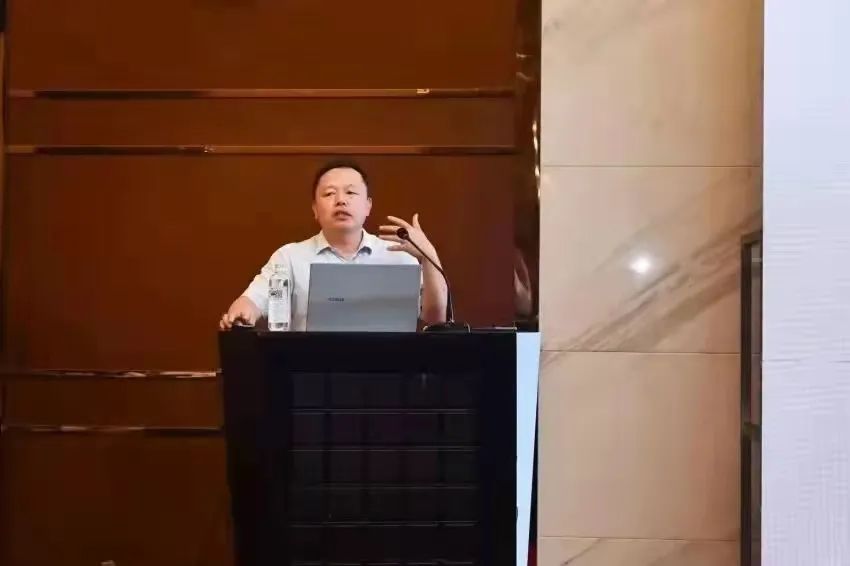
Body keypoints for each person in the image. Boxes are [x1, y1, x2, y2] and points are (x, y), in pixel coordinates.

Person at [219, 160, 449, 331]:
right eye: (329, 193)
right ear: (315, 209)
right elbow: (251, 301)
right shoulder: (289, 257)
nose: (341, 200)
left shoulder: (399, 256)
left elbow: (435, 318)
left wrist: (428, 256)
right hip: (310, 373)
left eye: (351, 192)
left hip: (389, 373)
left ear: (368, 206)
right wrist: (240, 314)